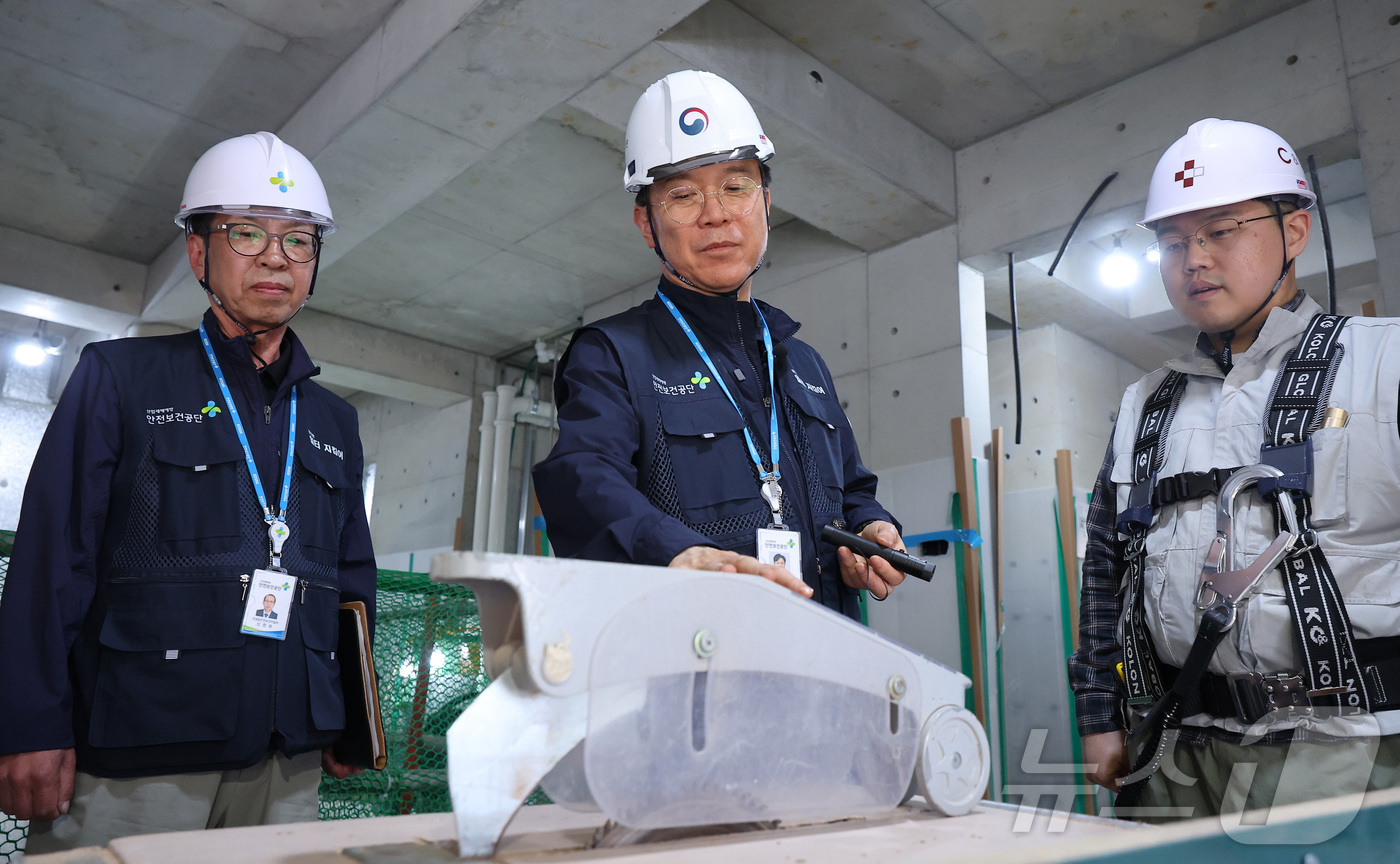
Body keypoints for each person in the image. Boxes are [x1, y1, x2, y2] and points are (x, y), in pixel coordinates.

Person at [0, 131, 378, 849]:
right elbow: (52, 559)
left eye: (299, 240)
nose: (276, 257)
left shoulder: (334, 420)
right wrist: (28, 724)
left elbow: (350, 584)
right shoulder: (121, 377)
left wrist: (355, 719)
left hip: (288, 760)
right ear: (199, 251)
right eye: (246, 233)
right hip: (140, 755)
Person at [1068, 118, 1400, 820]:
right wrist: (1100, 716)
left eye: (1221, 230)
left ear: (1295, 232)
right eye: (1172, 240)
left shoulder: (1384, 365)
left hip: (1350, 749)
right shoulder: (1143, 403)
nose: (1193, 259)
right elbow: (1104, 569)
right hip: (1176, 753)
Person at [533, 70, 908, 621]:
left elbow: (852, 489)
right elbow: (582, 480)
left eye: (736, 186)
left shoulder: (801, 363)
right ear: (647, 223)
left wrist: (869, 528)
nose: (716, 214)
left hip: (826, 649)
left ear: (766, 202)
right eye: (683, 195)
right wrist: (674, 551)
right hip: (691, 660)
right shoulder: (613, 354)